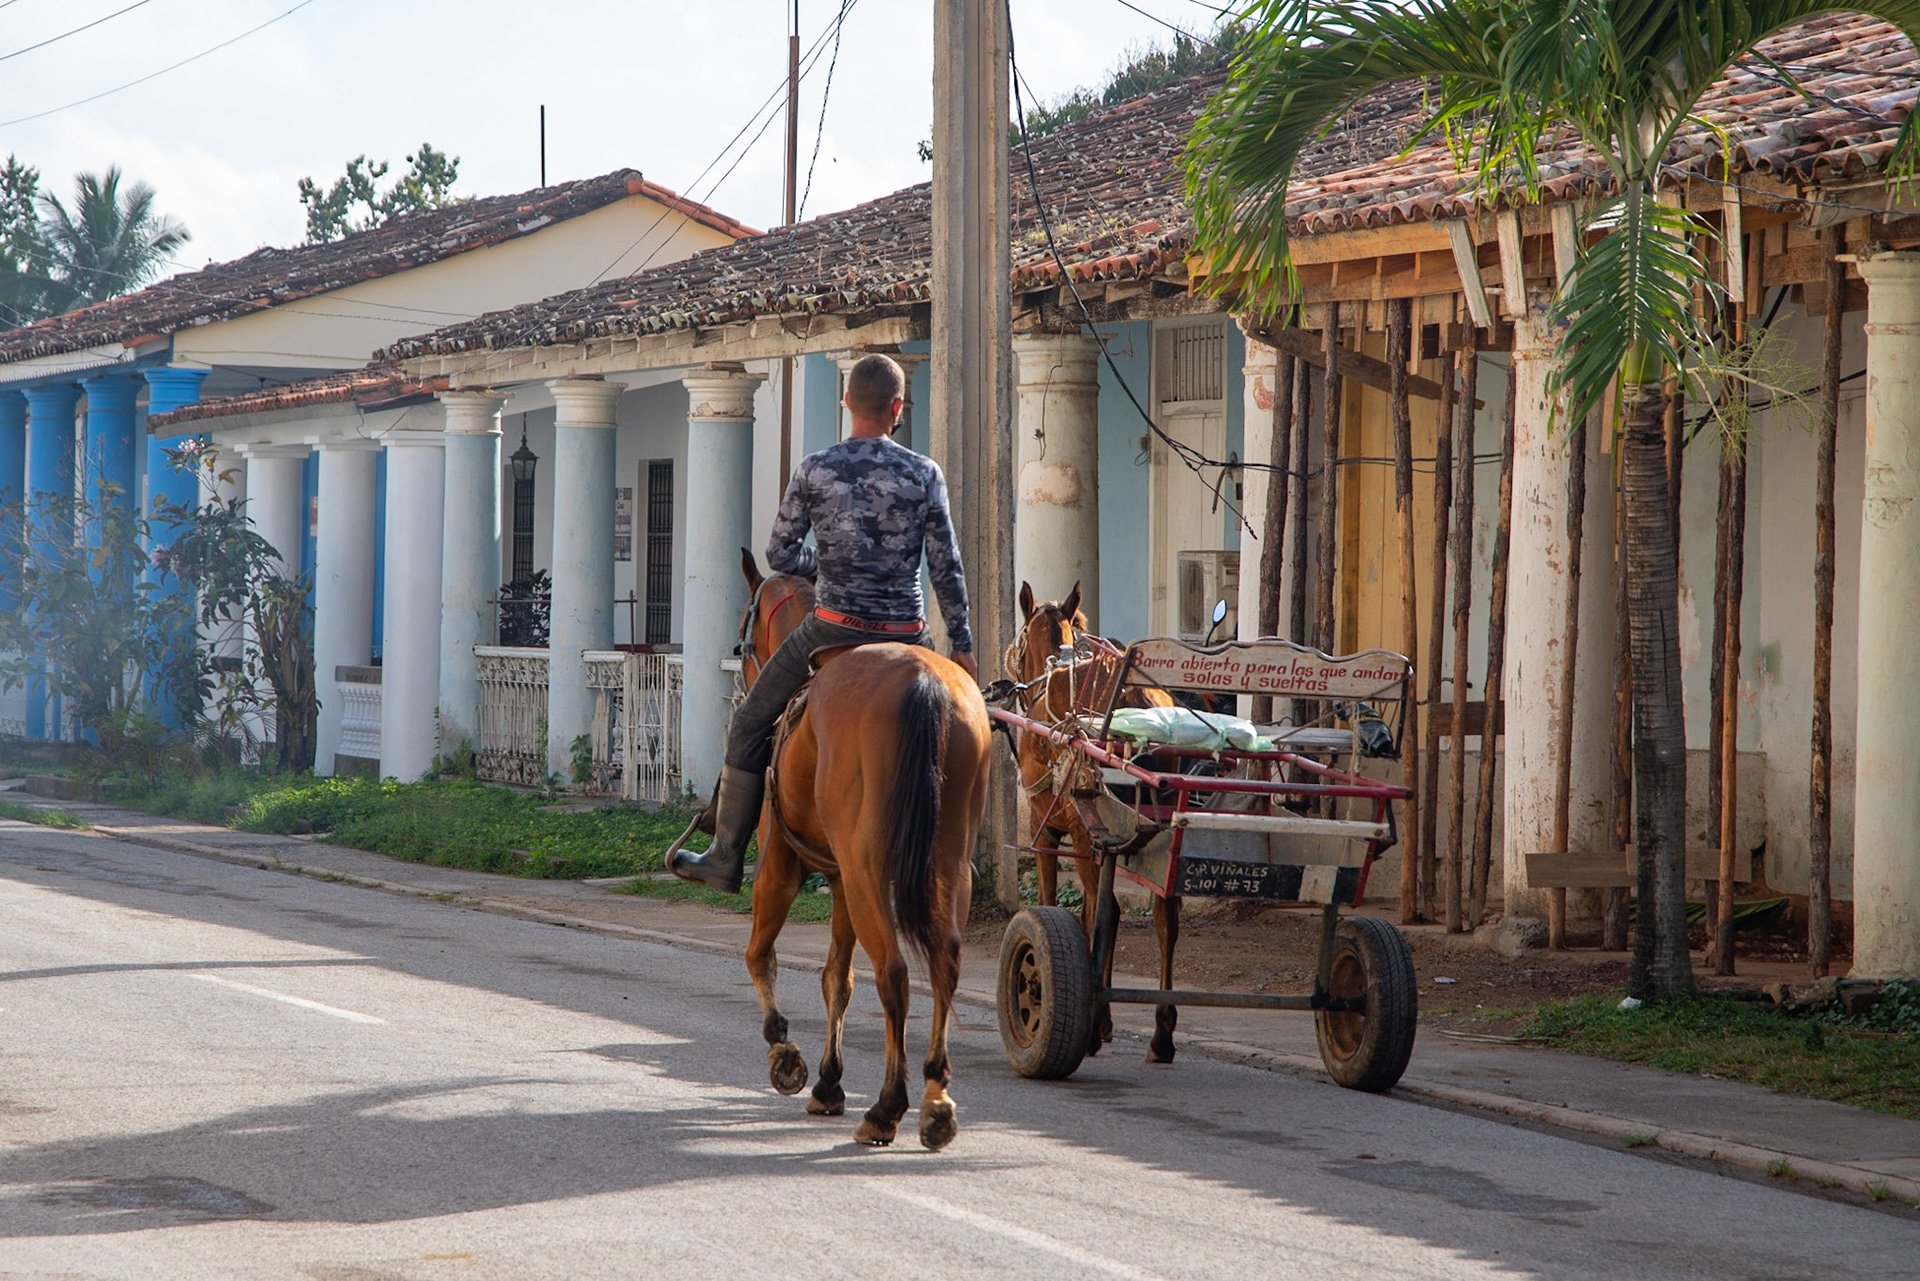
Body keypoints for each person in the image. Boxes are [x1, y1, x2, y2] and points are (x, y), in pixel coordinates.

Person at [669, 353, 978, 892]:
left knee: (748, 721)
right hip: (908, 632)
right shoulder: (924, 473)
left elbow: (779, 553)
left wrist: (824, 565)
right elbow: (946, 566)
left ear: (846, 403)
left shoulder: (816, 468)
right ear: (897, 408)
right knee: (966, 721)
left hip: (833, 628)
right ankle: (959, 856)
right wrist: (964, 646)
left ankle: (724, 855)